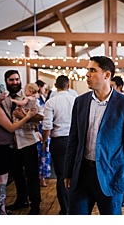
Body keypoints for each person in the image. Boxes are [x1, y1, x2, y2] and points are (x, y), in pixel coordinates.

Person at [64, 56, 124, 215]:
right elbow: (73, 139)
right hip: (81, 173)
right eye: (87, 70)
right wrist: (68, 172)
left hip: (112, 174)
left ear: (107, 75)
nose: (87, 74)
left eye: (92, 70)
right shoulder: (80, 102)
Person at [0, 70, 44, 215]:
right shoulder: (3, 99)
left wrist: (25, 116)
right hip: (11, 143)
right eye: (11, 80)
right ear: (6, 81)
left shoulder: (29, 97)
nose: (15, 82)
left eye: (17, 79)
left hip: (28, 141)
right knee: (17, 174)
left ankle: (35, 205)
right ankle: (21, 200)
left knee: (32, 175)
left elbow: (41, 116)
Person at [40, 75, 76, 214]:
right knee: (73, 174)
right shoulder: (75, 100)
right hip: (73, 141)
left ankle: (65, 209)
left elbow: (47, 125)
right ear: (68, 86)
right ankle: (74, 207)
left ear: (55, 85)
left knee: (61, 176)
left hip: (58, 142)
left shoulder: (51, 102)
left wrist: (44, 142)